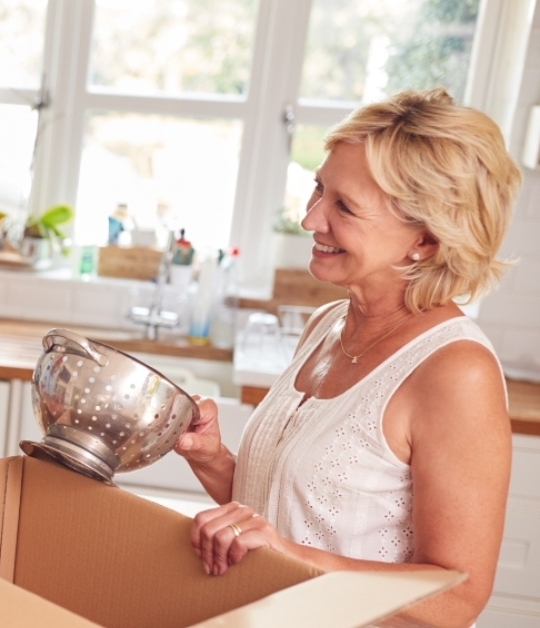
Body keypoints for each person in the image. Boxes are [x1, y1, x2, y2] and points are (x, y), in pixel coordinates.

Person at [174, 88, 519, 628]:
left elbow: (457, 598)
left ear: (424, 240)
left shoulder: (455, 372)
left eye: (345, 207)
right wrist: (213, 459)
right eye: (318, 188)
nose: (311, 220)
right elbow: (290, 524)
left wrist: (294, 558)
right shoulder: (326, 326)